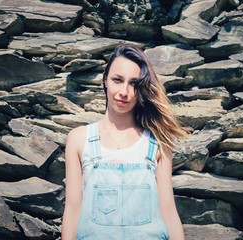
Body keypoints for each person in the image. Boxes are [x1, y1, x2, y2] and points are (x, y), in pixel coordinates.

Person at [62, 44, 187, 240]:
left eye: (134, 84)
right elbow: (72, 210)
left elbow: (169, 212)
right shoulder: (78, 139)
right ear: (105, 81)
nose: (124, 92)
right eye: (117, 80)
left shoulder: (158, 141)